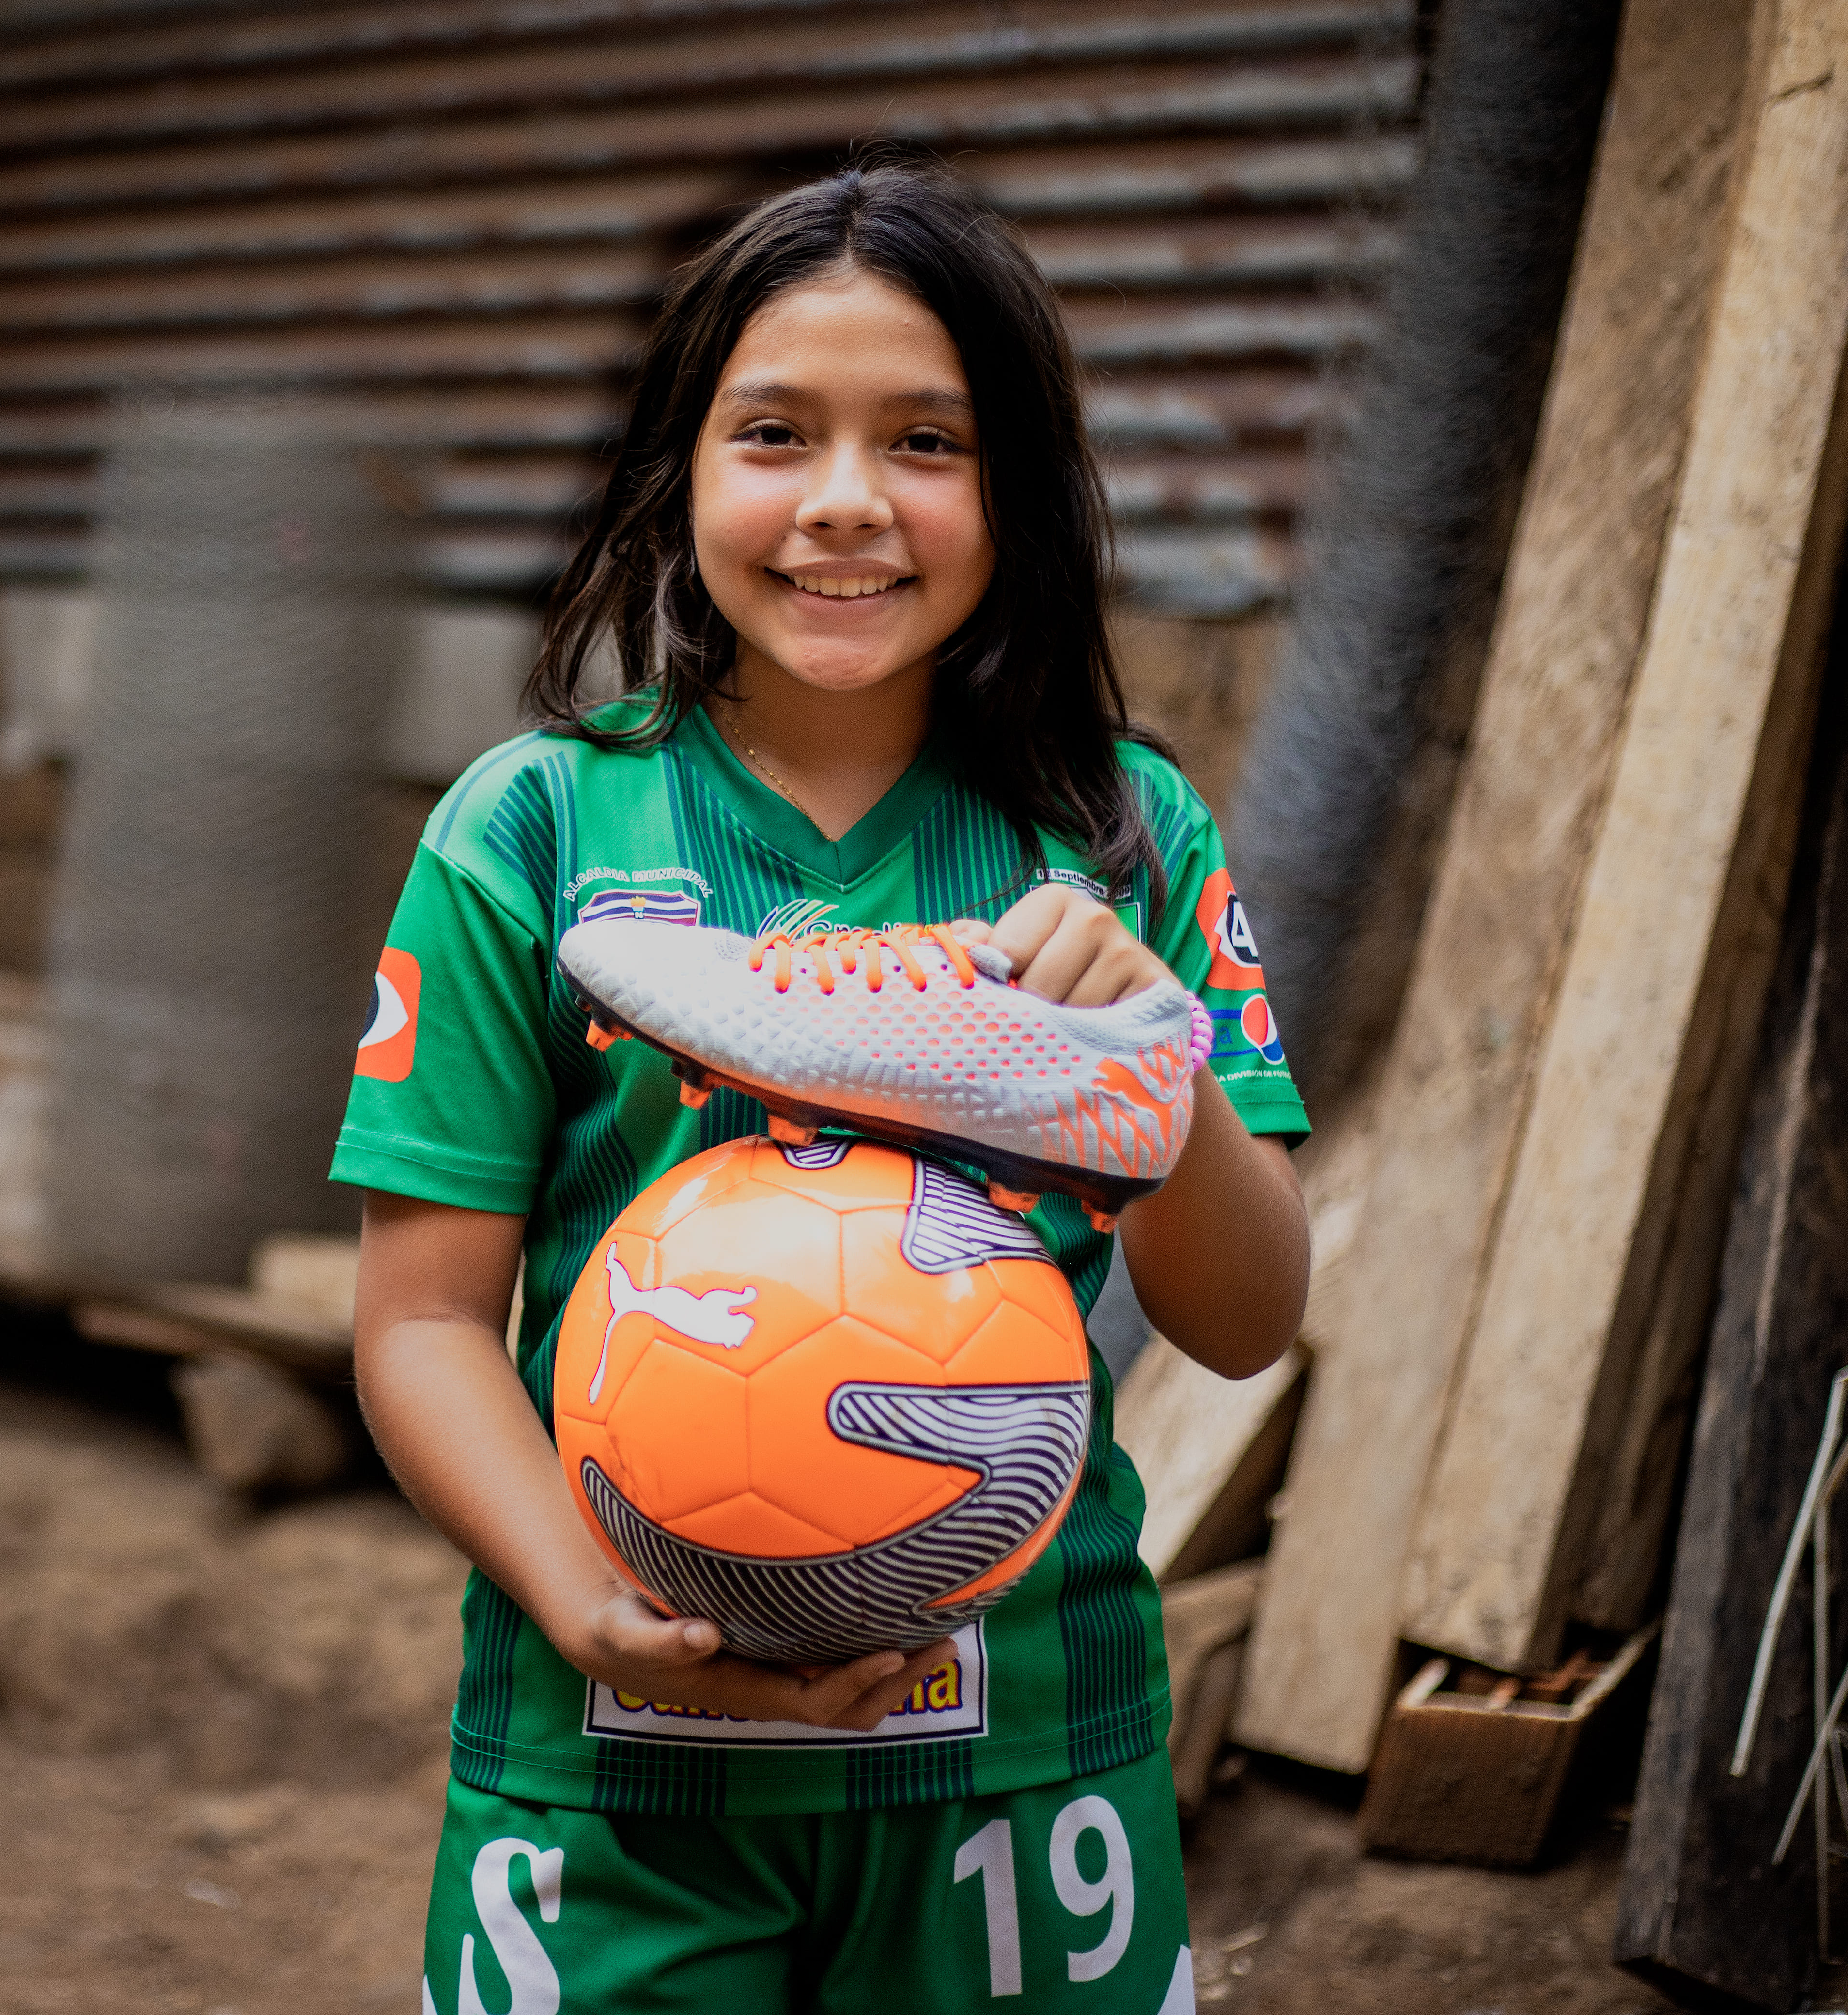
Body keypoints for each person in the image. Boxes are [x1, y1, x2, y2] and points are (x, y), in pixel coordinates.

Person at [337, 159, 1313, 2014]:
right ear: (678, 474)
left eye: (928, 441)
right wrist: (588, 1602)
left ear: (1015, 489)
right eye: (775, 432)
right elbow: (421, 1326)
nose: (847, 503)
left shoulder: (1120, 839)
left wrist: (1143, 1075)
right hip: (612, 1774)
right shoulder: (529, 834)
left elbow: (1250, 1321)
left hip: (1025, 1766)